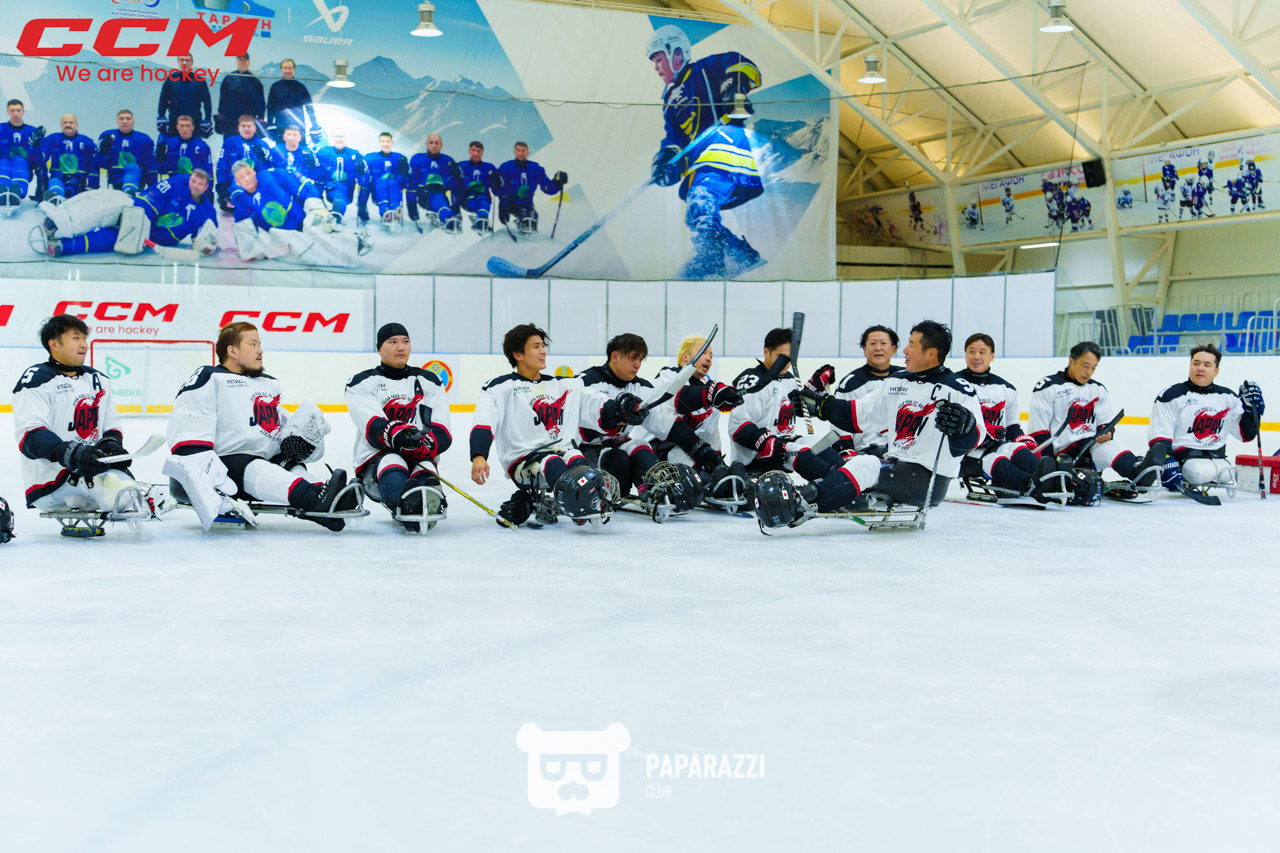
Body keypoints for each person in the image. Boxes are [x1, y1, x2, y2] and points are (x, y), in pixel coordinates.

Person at [774, 321, 986, 529]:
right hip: (897, 467)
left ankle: (801, 505)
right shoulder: (897, 381)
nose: (904, 350)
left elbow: (975, 437)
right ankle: (814, 495)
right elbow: (861, 413)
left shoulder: (959, 390)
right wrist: (821, 406)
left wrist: (964, 427)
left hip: (929, 480)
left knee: (865, 465)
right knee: (859, 462)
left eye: (912, 344)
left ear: (931, 353)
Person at [164, 322, 358, 531]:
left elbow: (275, 423)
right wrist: (198, 469)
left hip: (263, 462)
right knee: (257, 467)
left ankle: (328, 496)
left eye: (259, 344)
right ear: (232, 351)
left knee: (289, 465)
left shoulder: (268, 383)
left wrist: (300, 439)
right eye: (253, 344)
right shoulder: (210, 377)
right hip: (224, 468)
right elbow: (190, 423)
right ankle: (315, 500)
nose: (260, 350)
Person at [469, 324, 644, 528]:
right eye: (536, 347)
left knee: (579, 463)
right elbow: (483, 422)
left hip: (563, 451)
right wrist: (479, 455)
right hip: (525, 459)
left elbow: (595, 403)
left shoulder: (564, 386)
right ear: (518, 354)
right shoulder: (500, 388)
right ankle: (577, 504)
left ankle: (588, 502)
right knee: (552, 462)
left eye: (543, 346)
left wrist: (620, 408)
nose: (543, 351)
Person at [646, 24, 763, 278]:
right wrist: (666, 160)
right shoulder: (669, 100)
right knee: (696, 214)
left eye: (658, 59)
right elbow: (675, 137)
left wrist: (734, 90)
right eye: (653, 62)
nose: (656, 67)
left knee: (701, 196)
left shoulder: (704, 69)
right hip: (702, 160)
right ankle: (740, 254)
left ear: (676, 53)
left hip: (726, 144)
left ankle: (710, 258)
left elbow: (743, 65)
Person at [578, 333, 736, 514]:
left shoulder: (641, 387)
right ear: (615, 356)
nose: (637, 365)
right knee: (618, 461)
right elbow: (589, 408)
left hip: (618, 444)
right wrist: (613, 410)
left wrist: (700, 449)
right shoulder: (586, 381)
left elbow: (664, 422)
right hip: (588, 448)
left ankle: (651, 491)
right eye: (633, 358)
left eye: (640, 359)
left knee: (641, 447)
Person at [11, 314, 145, 520]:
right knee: (123, 493)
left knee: (127, 489)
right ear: (54, 344)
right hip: (51, 482)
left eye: (84, 338)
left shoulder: (97, 379)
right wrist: (71, 453)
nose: (83, 344)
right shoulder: (37, 380)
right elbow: (31, 435)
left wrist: (111, 445)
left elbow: (111, 424)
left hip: (91, 472)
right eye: (75, 338)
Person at [345, 323, 452, 533]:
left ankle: (423, 499)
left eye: (405, 341)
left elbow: (443, 431)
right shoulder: (361, 382)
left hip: (418, 457)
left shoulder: (429, 381)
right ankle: (405, 505)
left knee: (426, 467)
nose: (400, 347)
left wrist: (426, 444)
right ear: (379, 349)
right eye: (392, 342)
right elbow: (373, 426)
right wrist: (401, 436)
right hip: (376, 463)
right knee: (392, 459)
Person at [1027, 341, 1158, 503]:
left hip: (1089, 451)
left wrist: (1107, 433)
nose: (1088, 372)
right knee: (1083, 490)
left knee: (1113, 446)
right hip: (1062, 457)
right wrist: (1048, 469)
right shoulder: (1048, 387)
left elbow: (1105, 424)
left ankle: (1139, 473)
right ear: (1071, 361)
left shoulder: (1098, 389)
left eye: (1093, 368)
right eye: (1085, 366)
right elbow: (1038, 432)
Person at [1145, 344, 1264, 495]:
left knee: (1227, 473)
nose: (1200, 368)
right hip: (1185, 462)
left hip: (1219, 462)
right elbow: (1159, 435)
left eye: (1207, 365)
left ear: (1216, 371)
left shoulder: (1228, 398)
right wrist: (1167, 460)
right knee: (1198, 471)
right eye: (1196, 363)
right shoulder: (1171, 396)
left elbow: (1245, 435)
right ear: (1190, 366)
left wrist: (1252, 413)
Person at [648, 334, 749, 509]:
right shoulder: (668, 375)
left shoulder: (705, 387)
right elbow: (682, 399)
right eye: (704, 352)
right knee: (701, 479)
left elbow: (710, 432)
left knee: (723, 474)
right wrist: (711, 394)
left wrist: (717, 463)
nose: (709, 358)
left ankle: (721, 483)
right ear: (685, 357)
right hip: (662, 450)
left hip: (692, 450)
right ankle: (708, 484)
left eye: (711, 355)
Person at [31, 169, 218, 259]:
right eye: (193, 181)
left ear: (206, 187)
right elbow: (154, 195)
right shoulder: (179, 182)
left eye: (200, 184)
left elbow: (205, 239)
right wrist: (138, 218)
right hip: (139, 215)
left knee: (110, 239)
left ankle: (62, 247)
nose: (195, 186)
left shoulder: (208, 212)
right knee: (107, 203)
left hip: (152, 239)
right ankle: (57, 223)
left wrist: (205, 246)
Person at [229, 160, 371, 267]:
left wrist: (315, 207)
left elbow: (301, 187)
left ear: (253, 172)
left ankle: (355, 243)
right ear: (237, 182)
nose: (246, 178)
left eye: (248, 173)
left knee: (322, 233)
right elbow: (243, 233)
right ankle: (349, 249)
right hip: (286, 237)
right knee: (314, 254)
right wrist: (256, 250)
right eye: (241, 177)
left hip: (304, 219)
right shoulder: (242, 204)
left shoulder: (269, 176)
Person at [956, 333, 1043, 497]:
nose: (976, 357)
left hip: (996, 446)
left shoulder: (1006, 388)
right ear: (965, 354)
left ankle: (1048, 478)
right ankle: (1034, 487)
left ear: (992, 356)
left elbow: (1012, 426)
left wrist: (1023, 441)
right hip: (966, 452)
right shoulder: (954, 385)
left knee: (1019, 450)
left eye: (982, 352)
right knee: (997, 461)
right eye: (971, 351)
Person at [831, 324, 903, 456]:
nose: (878, 348)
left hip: (903, 451)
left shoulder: (905, 378)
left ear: (893, 349)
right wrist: (846, 453)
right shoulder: (849, 384)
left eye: (883, 343)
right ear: (864, 349)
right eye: (872, 343)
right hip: (867, 453)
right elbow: (840, 425)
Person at [494, 141, 565, 236]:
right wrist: (502, 206)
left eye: (523, 151)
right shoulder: (506, 168)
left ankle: (525, 229)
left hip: (527, 204)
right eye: (518, 150)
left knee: (532, 216)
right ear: (514, 152)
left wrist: (557, 183)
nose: (521, 153)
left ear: (527, 152)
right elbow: (499, 190)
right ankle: (521, 222)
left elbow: (547, 187)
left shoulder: (535, 168)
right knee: (523, 212)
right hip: (509, 203)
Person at [215, 114, 275, 212]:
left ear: (254, 128)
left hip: (256, 182)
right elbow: (222, 165)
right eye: (243, 126)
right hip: (235, 181)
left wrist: (263, 158)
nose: (246, 129)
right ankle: (236, 199)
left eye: (249, 126)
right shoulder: (230, 142)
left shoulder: (262, 144)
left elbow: (269, 168)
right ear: (238, 128)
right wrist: (222, 190)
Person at [408, 132, 462, 233]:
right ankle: (447, 217)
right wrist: (412, 211)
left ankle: (448, 216)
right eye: (431, 143)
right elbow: (411, 184)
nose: (434, 145)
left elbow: (455, 185)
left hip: (440, 192)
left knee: (439, 197)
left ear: (441, 145)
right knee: (437, 197)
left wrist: (457, 176)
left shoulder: (447, 160)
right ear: (427, 144)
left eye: (436, 143)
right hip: (424, 194)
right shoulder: (417, 159)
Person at [93, 109, 154, 196]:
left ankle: (129, 190)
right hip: (116, 178)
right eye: (121, 119)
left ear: (133, 121)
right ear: (117, 121)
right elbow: (100, 163)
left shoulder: (144, 139)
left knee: (132, 167)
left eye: (128, 119)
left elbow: (150, 164)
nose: (125, 121)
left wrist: (153, 186)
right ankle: (127, 191)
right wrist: (103, 151)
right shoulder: (107, 136)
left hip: (138, 179)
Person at [40, 113, 95, 204]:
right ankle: (54, 197)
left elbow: (94, 163)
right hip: (58, 176)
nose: (68, 125)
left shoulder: (86, 141)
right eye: (65, 123)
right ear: (61, 125)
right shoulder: (52, 139)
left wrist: (92, 184)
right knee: (55, 186)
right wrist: (35, 146)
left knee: (71, 190)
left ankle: (68, 196)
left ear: (77, 125)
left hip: (78, 178)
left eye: (71, 122)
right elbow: (42, 157)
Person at [156, 53, 213, 141]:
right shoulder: (171, 79)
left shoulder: (199, 81)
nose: (184, 62)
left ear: (192, 63)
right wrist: (161, 116)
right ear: (178, 62)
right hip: (174, 124)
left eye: (187, 60)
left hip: (194, 124)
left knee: (194, 148)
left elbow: (207, 102)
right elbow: (163, 99)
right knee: (173, 147)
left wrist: (207, 119)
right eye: (182, 60)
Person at [359, 132, 410, 229]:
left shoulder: (398, 157)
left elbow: (404, 181)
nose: (385, 144)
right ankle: (385, 210)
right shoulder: (371, 157)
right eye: (383, 141)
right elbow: (365, 177)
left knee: (392, 182)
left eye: (388, 141)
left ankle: (395, 208)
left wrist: (404, 171)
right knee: (381, 182)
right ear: (379, 143)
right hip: (378, 191)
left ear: (392, 143)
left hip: (393, 188)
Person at [0, 99, 44, 211]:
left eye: (18, 110)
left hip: (24, 168)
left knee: (20, 160)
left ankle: (17, 191)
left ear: (23, 112)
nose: (15, 113)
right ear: (7, 112)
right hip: (3, 164)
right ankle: (2, 190)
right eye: (12, 110)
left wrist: (42, 186)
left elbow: (39, 158)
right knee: (3, 162)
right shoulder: (1, 128)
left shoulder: (32, 131)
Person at [266, 59, 322, 145]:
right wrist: (270, 124)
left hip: (298, 125)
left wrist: (314, 125)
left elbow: (309, 107)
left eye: (290, 68)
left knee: (300, 149)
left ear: (294, 70)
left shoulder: (300, 87)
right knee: (281, 149)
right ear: (281, 69)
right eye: (285, 68)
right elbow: (270, 107)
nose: (287, 70)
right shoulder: (275, 86)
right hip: (281, 125)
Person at [315, 128, 363, 224]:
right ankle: (329, 213)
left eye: (341, 136)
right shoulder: (324, 151)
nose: (339, 139)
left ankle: (337, 213)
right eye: (336, 136)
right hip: (329, 186)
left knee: (340, 188)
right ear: (332, 138)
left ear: (345, 138)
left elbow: (363, 175)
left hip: (346, 188)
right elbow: (315, 169)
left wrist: (361, 167)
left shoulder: (353, 153)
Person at [216, 54, 265, 139]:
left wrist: (261, 119)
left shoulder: (255, 81)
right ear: (236, 61)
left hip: (248, 124)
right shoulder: (228, 79)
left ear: (248, 62)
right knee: (231, 146)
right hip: (230, 123)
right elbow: (222, 101)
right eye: (240, 60)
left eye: (244, 60)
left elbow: (261, 103)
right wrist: (221, 118)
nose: (242, 62)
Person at [154, 115, 213, 180]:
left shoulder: (202, 145)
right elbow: (162, 170)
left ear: (193, 127)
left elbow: (208, 170)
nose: (185, 129)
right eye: (182, 126)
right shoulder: (169, 143)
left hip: (195, 183)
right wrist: (159, 158)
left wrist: (208, 185)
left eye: (188, 126)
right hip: (174, 182)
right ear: (177, 127)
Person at [456, 140, 496, 233]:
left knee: (484, 202)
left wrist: (496, 180)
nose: (476, 153)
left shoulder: (489, 167)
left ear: (482, 152)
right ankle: (480, 220)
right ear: (469, 151)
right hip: (467, 199)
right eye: (473, 150)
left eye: (479, 151)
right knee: (476, 201)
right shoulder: (462, 165)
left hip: (484, 197)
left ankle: (482, 220)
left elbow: (499, 184)